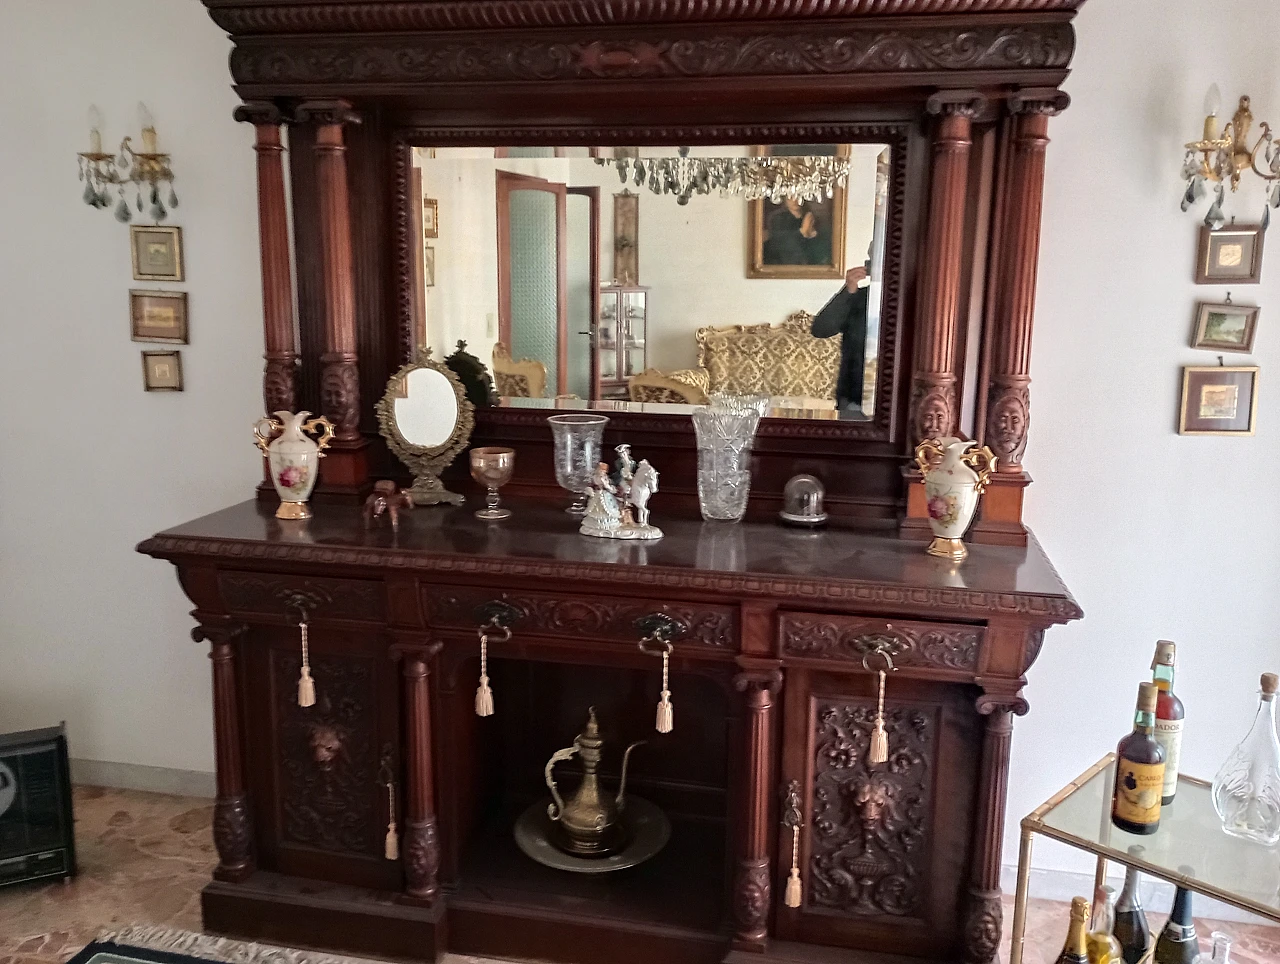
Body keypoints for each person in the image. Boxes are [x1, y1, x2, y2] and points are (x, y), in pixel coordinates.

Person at [811, 263, 870, 412]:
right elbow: (821, 329)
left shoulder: (915, 299)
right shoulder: (858, 297)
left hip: (899, 396)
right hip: (853, 397)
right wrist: (848, 290)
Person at [762, 198, 831, 266]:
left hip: (809, 265)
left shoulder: (810, 218)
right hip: (786, 264)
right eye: (790, 197)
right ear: (785, 199)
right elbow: (780, 243)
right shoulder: (777, 219)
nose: (795, 200)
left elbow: (820, 245)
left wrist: (813, 236)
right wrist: (802, 232)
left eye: (798, 197)